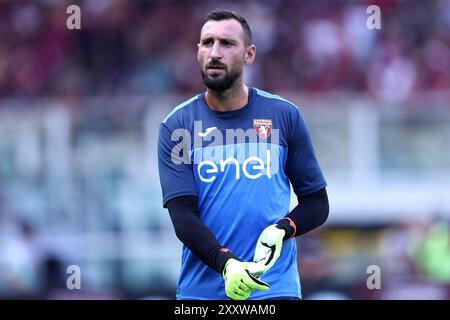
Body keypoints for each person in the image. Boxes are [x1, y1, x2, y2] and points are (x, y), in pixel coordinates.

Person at [158, 9, 329, 300]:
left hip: (273, 291)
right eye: (207, 42)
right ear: (197, 51)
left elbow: (316, 202)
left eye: (226, 43)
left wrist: (284, 228)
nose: (214, 52)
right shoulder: (177, 125)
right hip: (202, 294)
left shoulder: (284, 116)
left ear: (249, 55)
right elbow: (183, 217)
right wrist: (226, 264)